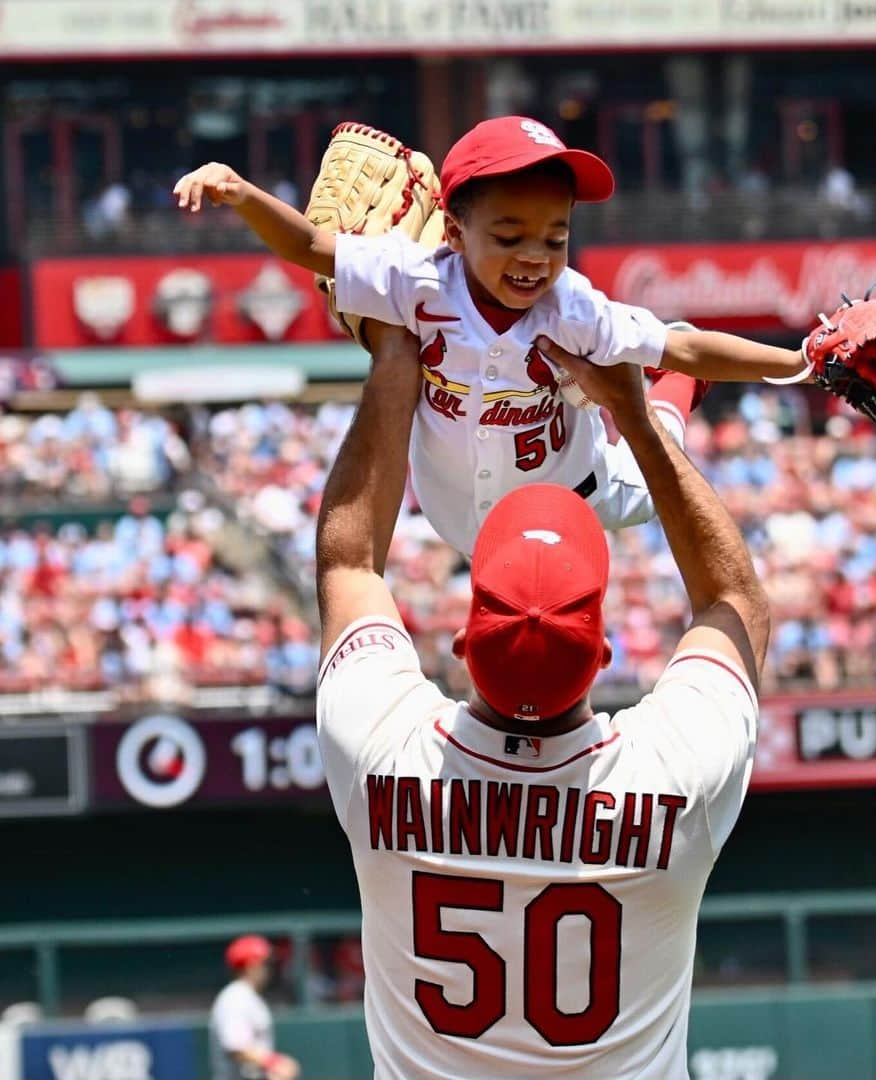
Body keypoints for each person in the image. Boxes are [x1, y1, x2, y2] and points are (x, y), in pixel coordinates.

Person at [314, 324, 770, 1078]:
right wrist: (640, 414)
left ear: (464, 646)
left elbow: (348, 559)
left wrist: (395, 356)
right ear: (601, 657)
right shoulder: (671, 775)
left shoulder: (383, 752)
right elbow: (734, 600)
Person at [174, 115, 810, 554]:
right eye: (509, 237)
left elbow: (688, 344)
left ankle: (675, 398)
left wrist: (805, 364)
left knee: (648, 472)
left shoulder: (574, 307)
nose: (535, 256)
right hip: (450, 511)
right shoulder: (418, 279)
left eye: (555, 239)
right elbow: (313, 245)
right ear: (453, 232)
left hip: (575, 493)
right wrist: (241, 193)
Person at [209, 935, 300, 1080]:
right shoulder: (235, 997)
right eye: (266, 963)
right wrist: (275, 1062)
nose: (270, 969)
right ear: (251, 965)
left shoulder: (249, 997)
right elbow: (236, 1046)